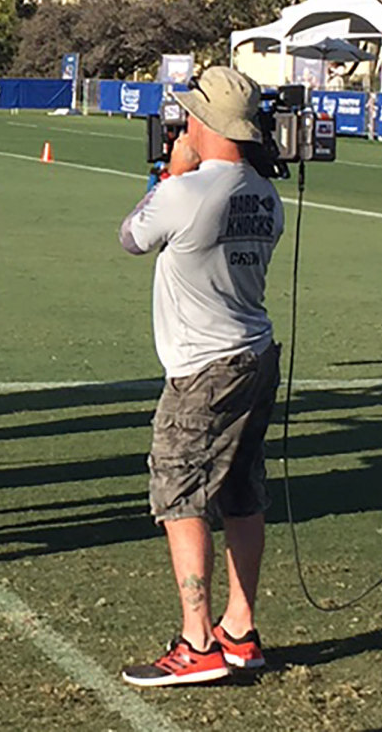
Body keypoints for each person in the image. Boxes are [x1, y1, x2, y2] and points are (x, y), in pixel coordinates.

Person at [118, 66, 284, 687]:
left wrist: (173, 170)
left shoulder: (184, 190)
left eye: (191, 114)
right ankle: (239, 630)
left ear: (208, 123)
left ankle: (197, 639)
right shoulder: (267, 195)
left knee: (179, 491)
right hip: (255, 352)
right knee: (242, 488)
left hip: (201, 366)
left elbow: (132, 237)